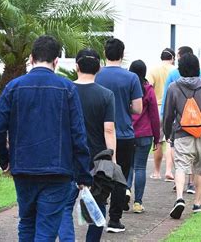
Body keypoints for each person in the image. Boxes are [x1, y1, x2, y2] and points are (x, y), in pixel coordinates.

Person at [0, 36, 92, 241]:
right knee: (46, 228)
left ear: (31, 58)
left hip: (24, 168)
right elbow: (78, 135)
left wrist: (5, 160)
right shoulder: (67, 88)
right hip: (58, 171)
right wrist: (83, 174)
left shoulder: (13, 87)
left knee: (26, 222)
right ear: (56, 61)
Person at [57, 48, 124, 241]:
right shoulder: (106, 95)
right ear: (99, 68)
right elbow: (109, 130)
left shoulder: (65, 90)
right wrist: (112, 159)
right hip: (97, 159)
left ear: (76, 66)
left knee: (64, 206)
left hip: (67, 158)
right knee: (97, 204)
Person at [163, 53, 201, 219]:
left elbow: (168, 114)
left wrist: (167, 133)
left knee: (180, 166)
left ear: (180, 69)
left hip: (181, 133)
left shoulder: (173, 87)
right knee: (199, 167)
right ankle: (197, 203)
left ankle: (179, 198)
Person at [95, 38, 143, 211]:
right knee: (121, 176)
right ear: (122, 54)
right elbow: (138, 108)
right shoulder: (131, 78)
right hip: (124, 134)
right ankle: (115, 219)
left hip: (99, 134)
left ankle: (98, 216)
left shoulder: (96, 75)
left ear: (104, 53)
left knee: (98, 176)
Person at [161, 46, 201, 193]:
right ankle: (191, 186)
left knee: (180, 159)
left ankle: (179, 186)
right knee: (197, 161)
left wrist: (166, 128)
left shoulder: (173, 75)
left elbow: (166, 103)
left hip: (180, 125)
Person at [127, 60, 161, 213]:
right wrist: (157, 137)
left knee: (127, 166)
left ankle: (126, 191)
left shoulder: (126, 88)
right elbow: (154, 115)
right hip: (145, 133)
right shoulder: (148, 89)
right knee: (140, 168)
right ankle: (138, 203)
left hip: (127, 133)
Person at [146, 48, 175, 181]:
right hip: (172, 109)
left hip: (156, 109)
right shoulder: (175, 71)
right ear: (173, 58)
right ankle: (169, 171)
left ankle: (157, 172)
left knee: (157, 141)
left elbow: (148, 86)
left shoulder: (153, 70)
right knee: (170, 141)